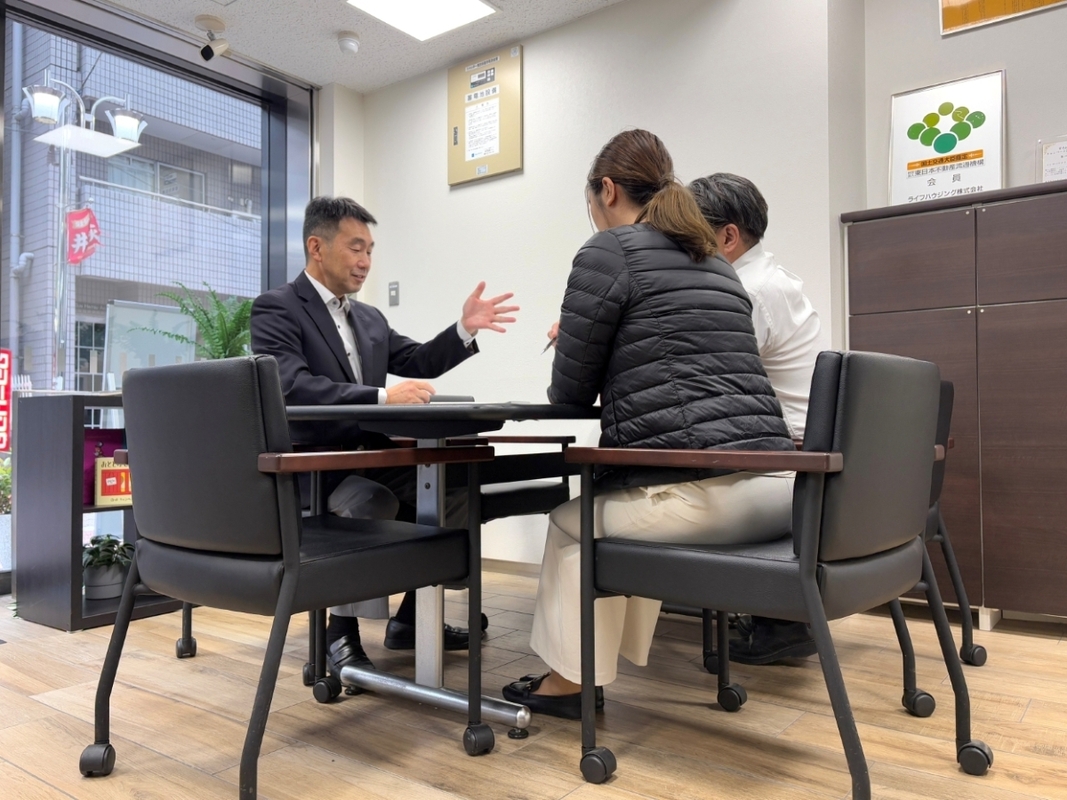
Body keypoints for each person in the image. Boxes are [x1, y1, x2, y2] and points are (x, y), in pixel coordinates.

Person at [501, 130, 796, 719]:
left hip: (706, 499)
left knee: (569, 523)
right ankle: (599, 665)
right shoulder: (716, 262)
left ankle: (570, 685)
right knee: (616, 509)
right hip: (777, 492)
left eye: (591, 201)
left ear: (607, 190)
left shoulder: (607, 250)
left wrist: (580, 338)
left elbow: (568, 395)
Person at [251, 196, 518, 675]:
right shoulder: (278, 308)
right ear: (316, 247)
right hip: (316, 467)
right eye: (356, 248)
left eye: (370, 250)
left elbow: (417, 361)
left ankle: (412, 619)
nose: (365, 261)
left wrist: (463, 329)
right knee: (370, 501)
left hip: (374, 457)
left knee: (454, 489)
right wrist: (381, 397)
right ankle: (339, 631)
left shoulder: (369, 318)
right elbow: (290, 387)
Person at [689, 172, 822, 665]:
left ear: (728, 237)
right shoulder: (773, 280)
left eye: (691, 236)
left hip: (784, 464)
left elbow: (706, 380)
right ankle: (777, 615)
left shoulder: (746, 292)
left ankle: (771, 616)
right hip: (807, 457)